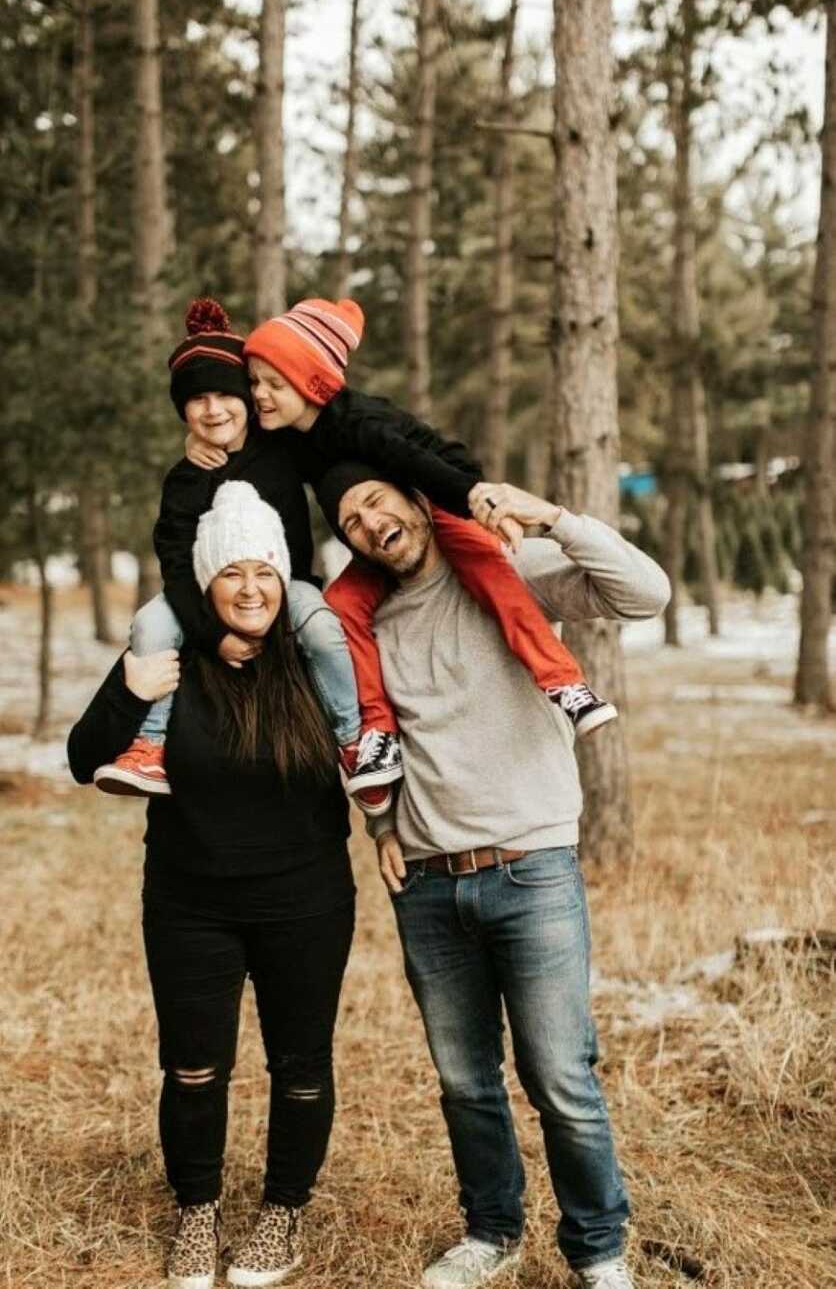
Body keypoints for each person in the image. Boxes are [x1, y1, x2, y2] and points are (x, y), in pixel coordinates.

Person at [314, 465, 672, 1289]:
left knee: (559, 1076)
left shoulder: (506, 569)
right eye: (349, 519)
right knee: (465, 1081)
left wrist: (548, 515)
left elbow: (644, 593)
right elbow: (363, 728)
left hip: (532, 866)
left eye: (377, 500)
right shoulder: (364, 623)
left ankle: (598, 1247)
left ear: (413, 499)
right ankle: (492, 1231)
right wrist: (379, 824)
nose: (368, 522)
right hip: (430, 883)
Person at [68, 481, 355, 1289]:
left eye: (265, 570)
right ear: (204, 583)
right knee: (194, 1067)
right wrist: (130, 686)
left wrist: (394, 833)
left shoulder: (310, 657)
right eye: (232, 572)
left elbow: (376, 748)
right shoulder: (168, 659)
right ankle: (197, 1211)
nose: (252, 587)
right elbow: (80, 754)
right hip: (190, 902)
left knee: (301, 1065)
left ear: (283, 577)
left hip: (306, 899)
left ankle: (282, 1210)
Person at [185, 296, 618, 786]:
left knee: (496, 579)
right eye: (255, 383)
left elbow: (420, 464)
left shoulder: (359, 423)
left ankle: (566, 684)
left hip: (441, 504)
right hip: (380, 540)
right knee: (343, 605)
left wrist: (477, 498)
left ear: (309, 381)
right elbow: (237, 436)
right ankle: (378, 733)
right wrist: (200, 442)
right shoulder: (285, 431)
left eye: (273, 384)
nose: (258, 394)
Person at [91, 298, 396, 815]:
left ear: (247, 400)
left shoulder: (280, 450)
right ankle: (150, 744)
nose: (214, 411)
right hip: (208, 598)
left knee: (323, 628)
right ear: (184, 411)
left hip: (289, 583)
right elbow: (175, 564)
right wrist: (212, 632)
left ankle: (353, 740)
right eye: (198, 401)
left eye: (226, 395)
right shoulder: (185, 478)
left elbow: (327, 427)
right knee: (150, 625)